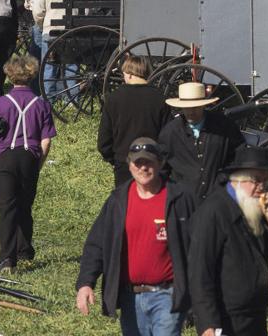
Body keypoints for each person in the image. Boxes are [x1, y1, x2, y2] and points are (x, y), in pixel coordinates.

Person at [77, 137, 195, 336]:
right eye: (138, 163)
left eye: (149, 162)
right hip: (130, 297)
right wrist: (85, 283)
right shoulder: (118, 200)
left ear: (160, 162)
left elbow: (200, 245)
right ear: (129, 165)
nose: (143, 168)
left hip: (168, 295)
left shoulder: (179, 198)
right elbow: (96, 244)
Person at [187, 146, 268, 336]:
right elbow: (200, 270)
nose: (262, 187)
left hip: (255, 311)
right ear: (237, 179)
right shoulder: (213, 211)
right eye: (256, 180)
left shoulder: (254, 205)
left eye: (266, 180)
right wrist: (207, 323)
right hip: (226, 314)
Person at [0, 56, 56, 270]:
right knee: (25, 206)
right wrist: (38, 164)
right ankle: (25, 250)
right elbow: (46, 141)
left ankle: (7, 258)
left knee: (7, 209)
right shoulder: (42, 104)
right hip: (29, 158)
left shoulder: (0, 103)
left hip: (6, 157)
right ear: (32, 75)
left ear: (9, 75)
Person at [157, 82, 244, 204]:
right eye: (187, 107)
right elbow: (161, 169)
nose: (191, 111)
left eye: (196, 107)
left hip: (219, 199)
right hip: (184, 201)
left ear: (204, 105)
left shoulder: (224, 126)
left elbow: (239, 156)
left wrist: (223, 179)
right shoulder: (170, 133)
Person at [99, 56, 174, 186]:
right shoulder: (159, 98)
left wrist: (115, 160)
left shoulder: (114, 98)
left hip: (124, 163)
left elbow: (104, 140)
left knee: (126, 203)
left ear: (128, 74)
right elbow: (168, 137)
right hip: (153, 164)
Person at [32, 0, 81, 100]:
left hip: (51, 33)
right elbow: (86, 11)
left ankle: (49, 98)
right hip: (72, 33)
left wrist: (43, 26)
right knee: (71, 66)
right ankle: (72, 99)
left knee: (49, 66)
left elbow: (38, 12)